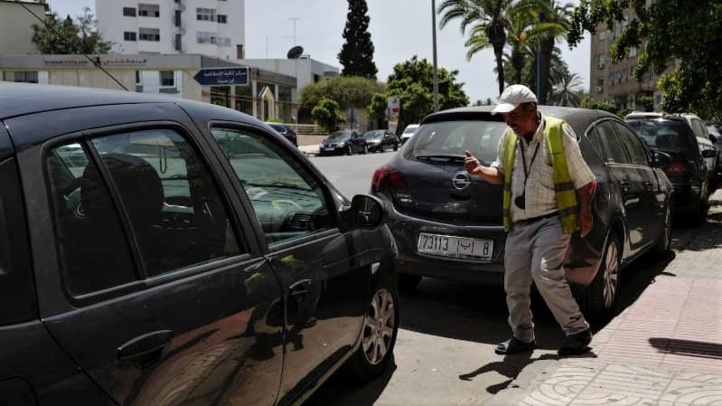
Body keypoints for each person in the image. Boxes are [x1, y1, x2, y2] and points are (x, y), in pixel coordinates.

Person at [464, 84, 596, 356]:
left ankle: (578, 330)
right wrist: (479, 171)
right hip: (520, 222)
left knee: (544, 271)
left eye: (513, 114)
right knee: (514, 283)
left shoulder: (558, 132)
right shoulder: (509, 138)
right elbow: (500, 174)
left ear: (532, 109)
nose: (508, 121)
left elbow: (584, 179)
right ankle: (523, 336)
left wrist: (585, 214)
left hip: (552, 220)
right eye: (505, 116)